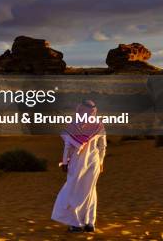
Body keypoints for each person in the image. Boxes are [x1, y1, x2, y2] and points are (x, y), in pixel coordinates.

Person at [52, 99, 107, 233]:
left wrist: (65, 163)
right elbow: (103, 147)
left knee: (73, 192)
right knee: (89, 192)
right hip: (94, 163)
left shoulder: (73, 125)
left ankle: (76, 224)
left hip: (77, 163)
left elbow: (67, 146)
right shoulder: (99, 126)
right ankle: (89, 223)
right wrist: (100, 162)